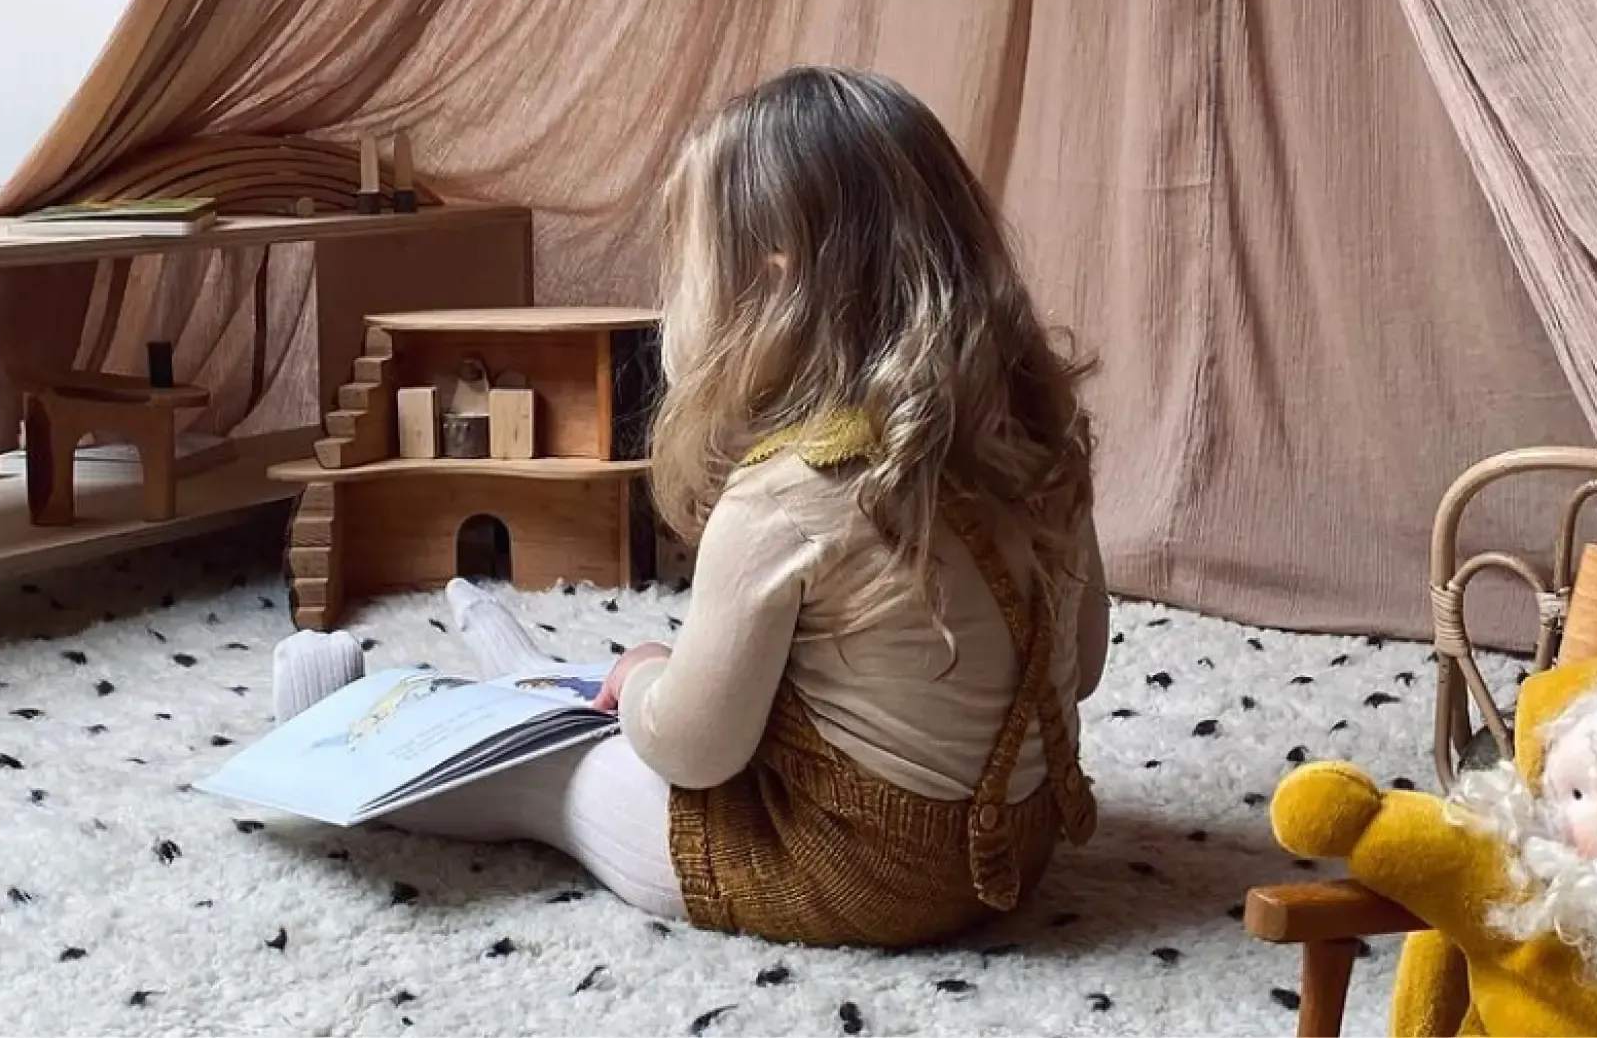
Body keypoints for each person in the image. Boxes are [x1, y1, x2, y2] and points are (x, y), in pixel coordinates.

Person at [269, 66, 1111, 947]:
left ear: (771, 285)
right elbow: (1079, 669)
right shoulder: (1038, 449)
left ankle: (334, 739)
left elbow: (695, 750)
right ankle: (526, 676)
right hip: (1017, 840)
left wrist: (641, 688)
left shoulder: (786, 497)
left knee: (570, 772)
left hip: (853, 870)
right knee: (671, 677)